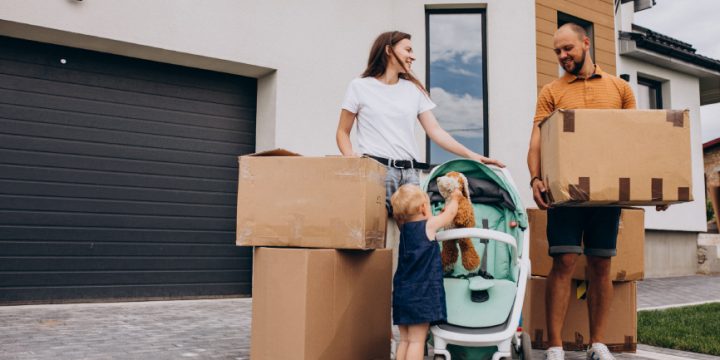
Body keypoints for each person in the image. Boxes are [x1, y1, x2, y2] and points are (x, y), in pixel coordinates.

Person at [527, 23, 666, 360]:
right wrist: (535, 178)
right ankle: (556, 346)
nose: (562, 57)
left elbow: (633, 143)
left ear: (585, 44)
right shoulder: (551, 91)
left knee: (601, 264)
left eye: (567, 49)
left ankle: (598, 343)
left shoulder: (620, 90)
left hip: (606, 194)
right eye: (557, 51)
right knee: (564, 260)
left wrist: (655, 187)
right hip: (565, 193)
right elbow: (536, 141)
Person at [336, 30, 504, 217]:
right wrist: (350, 157)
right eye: (408, 50)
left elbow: (435, 131)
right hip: (377, 173)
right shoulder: (360, 87)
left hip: (410, 175)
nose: (413, 56)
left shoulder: (413, 90)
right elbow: (343, 132)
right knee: (377, 238)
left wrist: (472, 155)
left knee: (417, 236)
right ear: (388, 50)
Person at [389, 184, 461, 360]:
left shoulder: (404, 229)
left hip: (402, 293)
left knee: (405, 340)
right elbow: (449, 215)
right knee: (416, 341)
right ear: (422, 208)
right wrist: (456, 199)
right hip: (421, 294)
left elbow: (403, 217)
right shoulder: (428, 226)